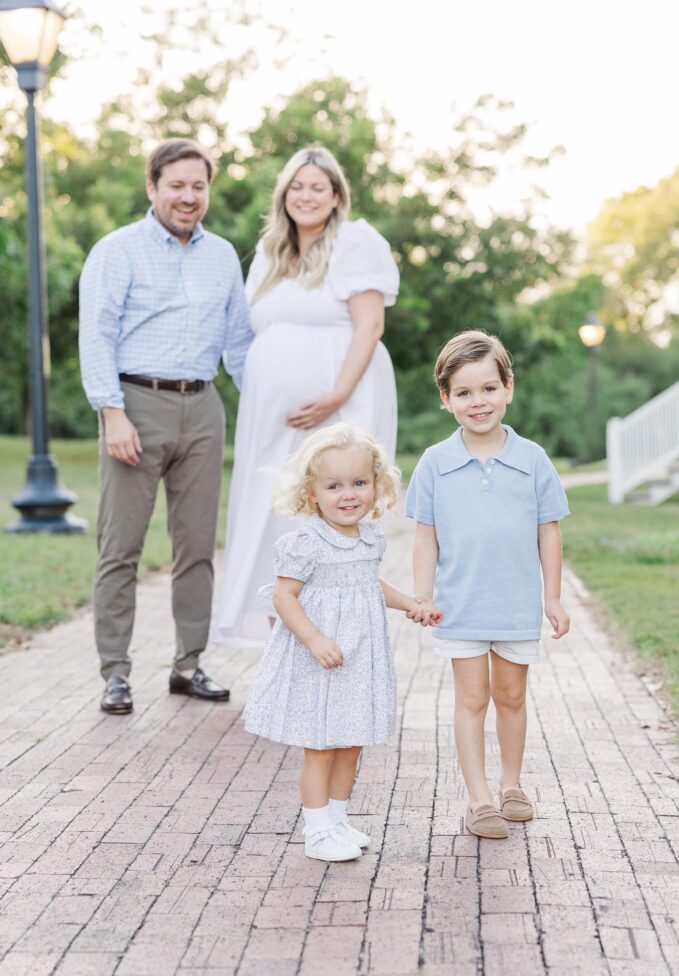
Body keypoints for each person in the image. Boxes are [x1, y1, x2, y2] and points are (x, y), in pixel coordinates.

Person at [79, 138, 254, 716]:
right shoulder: (118, 250)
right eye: (176, 185)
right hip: (135, 403)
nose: (188, 196)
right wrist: (111, 412)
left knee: (198, 547)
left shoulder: (224, 256)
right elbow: (97, 335)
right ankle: (115, 673)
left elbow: (239, 346)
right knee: (120, 548)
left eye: (198, 186)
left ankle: (188, 664)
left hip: (202, 409)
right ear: (152, 187)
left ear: (208, 190)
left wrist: (273, 400)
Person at [214, 145, 400, 647]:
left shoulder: (355, 243)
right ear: (283, 195)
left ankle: (343, 641)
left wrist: (335, 393)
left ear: (337, 195)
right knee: (278, 515)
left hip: (343, 404)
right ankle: (284, 642)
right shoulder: (271, 254)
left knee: (332, 515)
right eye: (297, 186)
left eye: (318, 186)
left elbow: (371, 325)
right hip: (275, 419)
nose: (306, 195)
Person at [243, 423, 441, 861]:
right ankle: (316, 831)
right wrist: (314, 639)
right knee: (321, 744)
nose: (348, 494)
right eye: (334, 486)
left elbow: (369, 585)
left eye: (359, 483)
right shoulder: (304, 542)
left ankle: (336, 819)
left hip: (358, 656)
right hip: (321, 656)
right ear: (312, 492)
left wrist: (411, 603)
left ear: (376, 485)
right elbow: (284, 597)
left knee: (350, 740)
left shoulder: (369, 537)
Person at [405, 330, 570, 839]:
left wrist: (553, 598)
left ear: (508, 388)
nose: (478, 402)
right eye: (464, 392)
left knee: (511, 696)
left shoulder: (533, 459)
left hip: (515, 603)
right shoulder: (435, 462)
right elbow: (425, 537)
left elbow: (549, 532)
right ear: (445, 399)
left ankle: (511, 785)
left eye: (488, 388)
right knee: (471, 699)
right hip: (461, 605)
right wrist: (422, 595)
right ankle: (478, 800)